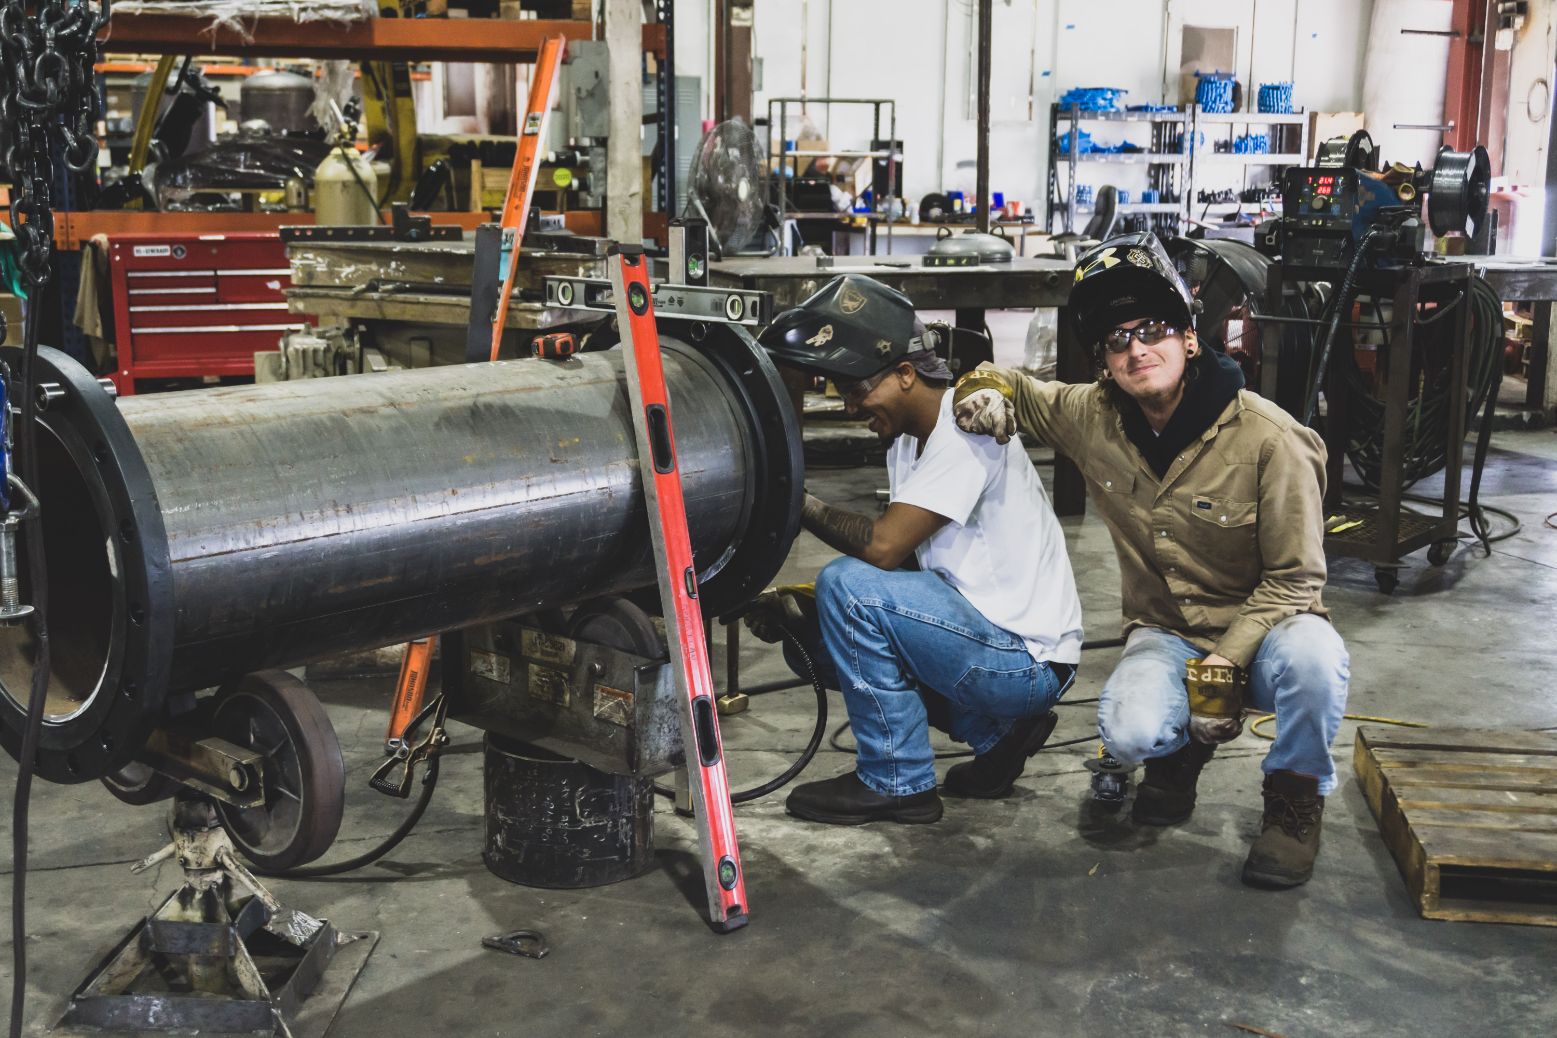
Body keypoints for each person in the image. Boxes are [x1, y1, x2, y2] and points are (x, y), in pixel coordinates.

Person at [951, 231, 1349, 888]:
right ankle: (1179, 754)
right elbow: (1013, 387)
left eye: (1154, 329)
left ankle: (1293, 800)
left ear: (1190, 338)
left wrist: (1223, 668)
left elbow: (1296, 578)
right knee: (1128, 731)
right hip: (1168, 635)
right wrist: (983, 387)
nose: (1136, 349)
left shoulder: (1272, 440)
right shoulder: (1092, 416)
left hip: (1273, 629)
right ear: (1103, 362)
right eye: (1115, 340)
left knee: (1317, 663)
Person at [747, 274, 1084, 826]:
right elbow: (908, 562)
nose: (854, 407)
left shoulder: (967, 427)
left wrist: (795, 502)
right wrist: (801, 603)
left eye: (859, 390)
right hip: (987, 640)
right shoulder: (906, 441)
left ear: (905, 373)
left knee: (844, 585)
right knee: (812, 636)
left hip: (1024, 661)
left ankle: (896, 781)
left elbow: (882, 549)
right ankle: (997, 737)